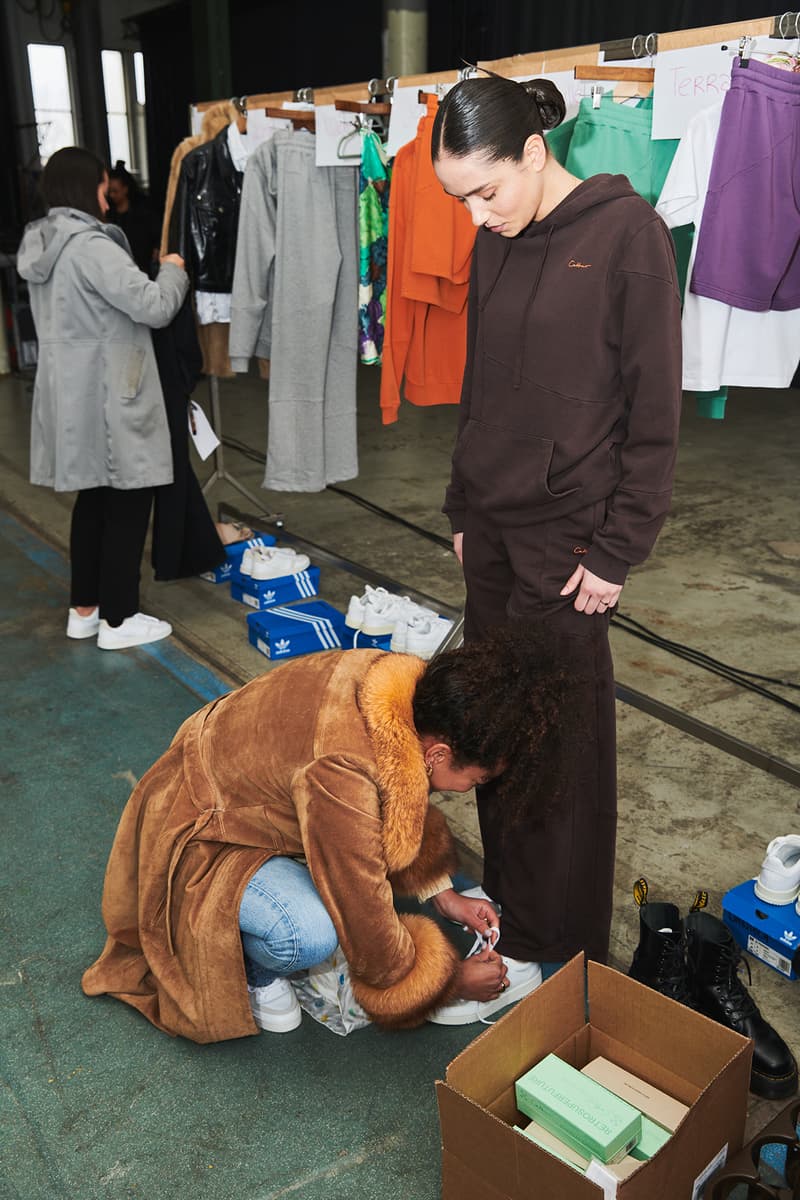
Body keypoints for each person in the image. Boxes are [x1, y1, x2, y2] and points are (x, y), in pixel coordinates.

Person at [429, 74, 682, 1009]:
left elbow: (654, 416)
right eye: (459, 199)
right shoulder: (495, 242)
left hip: (570, 547)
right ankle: (516, 905)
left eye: (485, 191)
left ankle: (554, 952)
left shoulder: (628, 238)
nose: (476, 216)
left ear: (535, 154)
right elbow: (480, 384)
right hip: (491, 535)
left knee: (562, 763)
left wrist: (619, 550)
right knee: (497, 741)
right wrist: (462, 508)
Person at [81, 630, 560, 1040]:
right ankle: (254, 967)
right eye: (475, 780)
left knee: (336, 867)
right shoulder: (342, 770)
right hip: (200, 834)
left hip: (235, 791)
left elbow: (397, 800)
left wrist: (442, 894)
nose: (470, 791)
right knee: (310, 935)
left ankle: (281, 884)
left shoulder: (398, 691)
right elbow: (361, 905)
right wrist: (447, 983)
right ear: (438, 754)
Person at [17, 146, 189, 650]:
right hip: (114, 391)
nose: (108, 192)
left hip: (73, 394)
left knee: (92, 499)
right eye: (102, 183)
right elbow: (154, 306)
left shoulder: (42, 243)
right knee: (129, 498)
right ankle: (119, 617)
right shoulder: (90, 247)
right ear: (86, 187)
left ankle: (85, 609)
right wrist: (173, 268)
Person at [106, 161, 162, 274]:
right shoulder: (108, 214)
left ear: (125, 189)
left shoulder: (143, 211)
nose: (111, 195)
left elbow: (157, 233)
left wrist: (156, 249)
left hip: (143, 265)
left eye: (115, 191)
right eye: (109, 191)